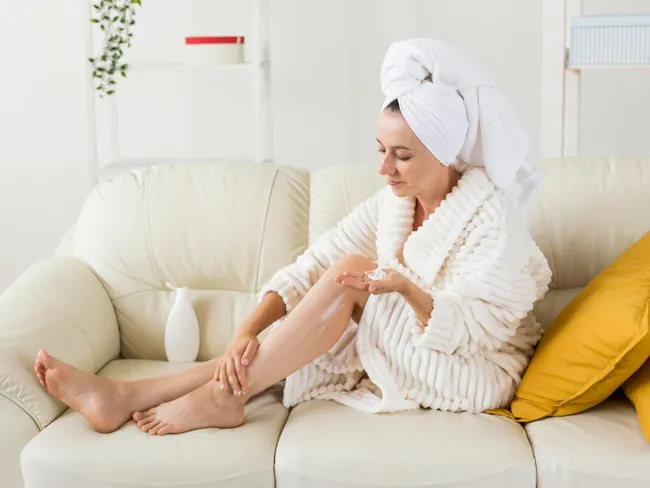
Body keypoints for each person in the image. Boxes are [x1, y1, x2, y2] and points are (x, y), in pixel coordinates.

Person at [34, 38, 551, 436]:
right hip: (414, 346)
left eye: (402, 156)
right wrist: (247, 330)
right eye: (380, 150)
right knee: (310, 311)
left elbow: (478, 329)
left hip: (473, 367)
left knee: (349, 276)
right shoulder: (396, 203)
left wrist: (404, 288)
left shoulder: (490, 219)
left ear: (444, 153)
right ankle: (127, 396)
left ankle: (215, 398)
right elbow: (316, 263)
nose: (384, 169)